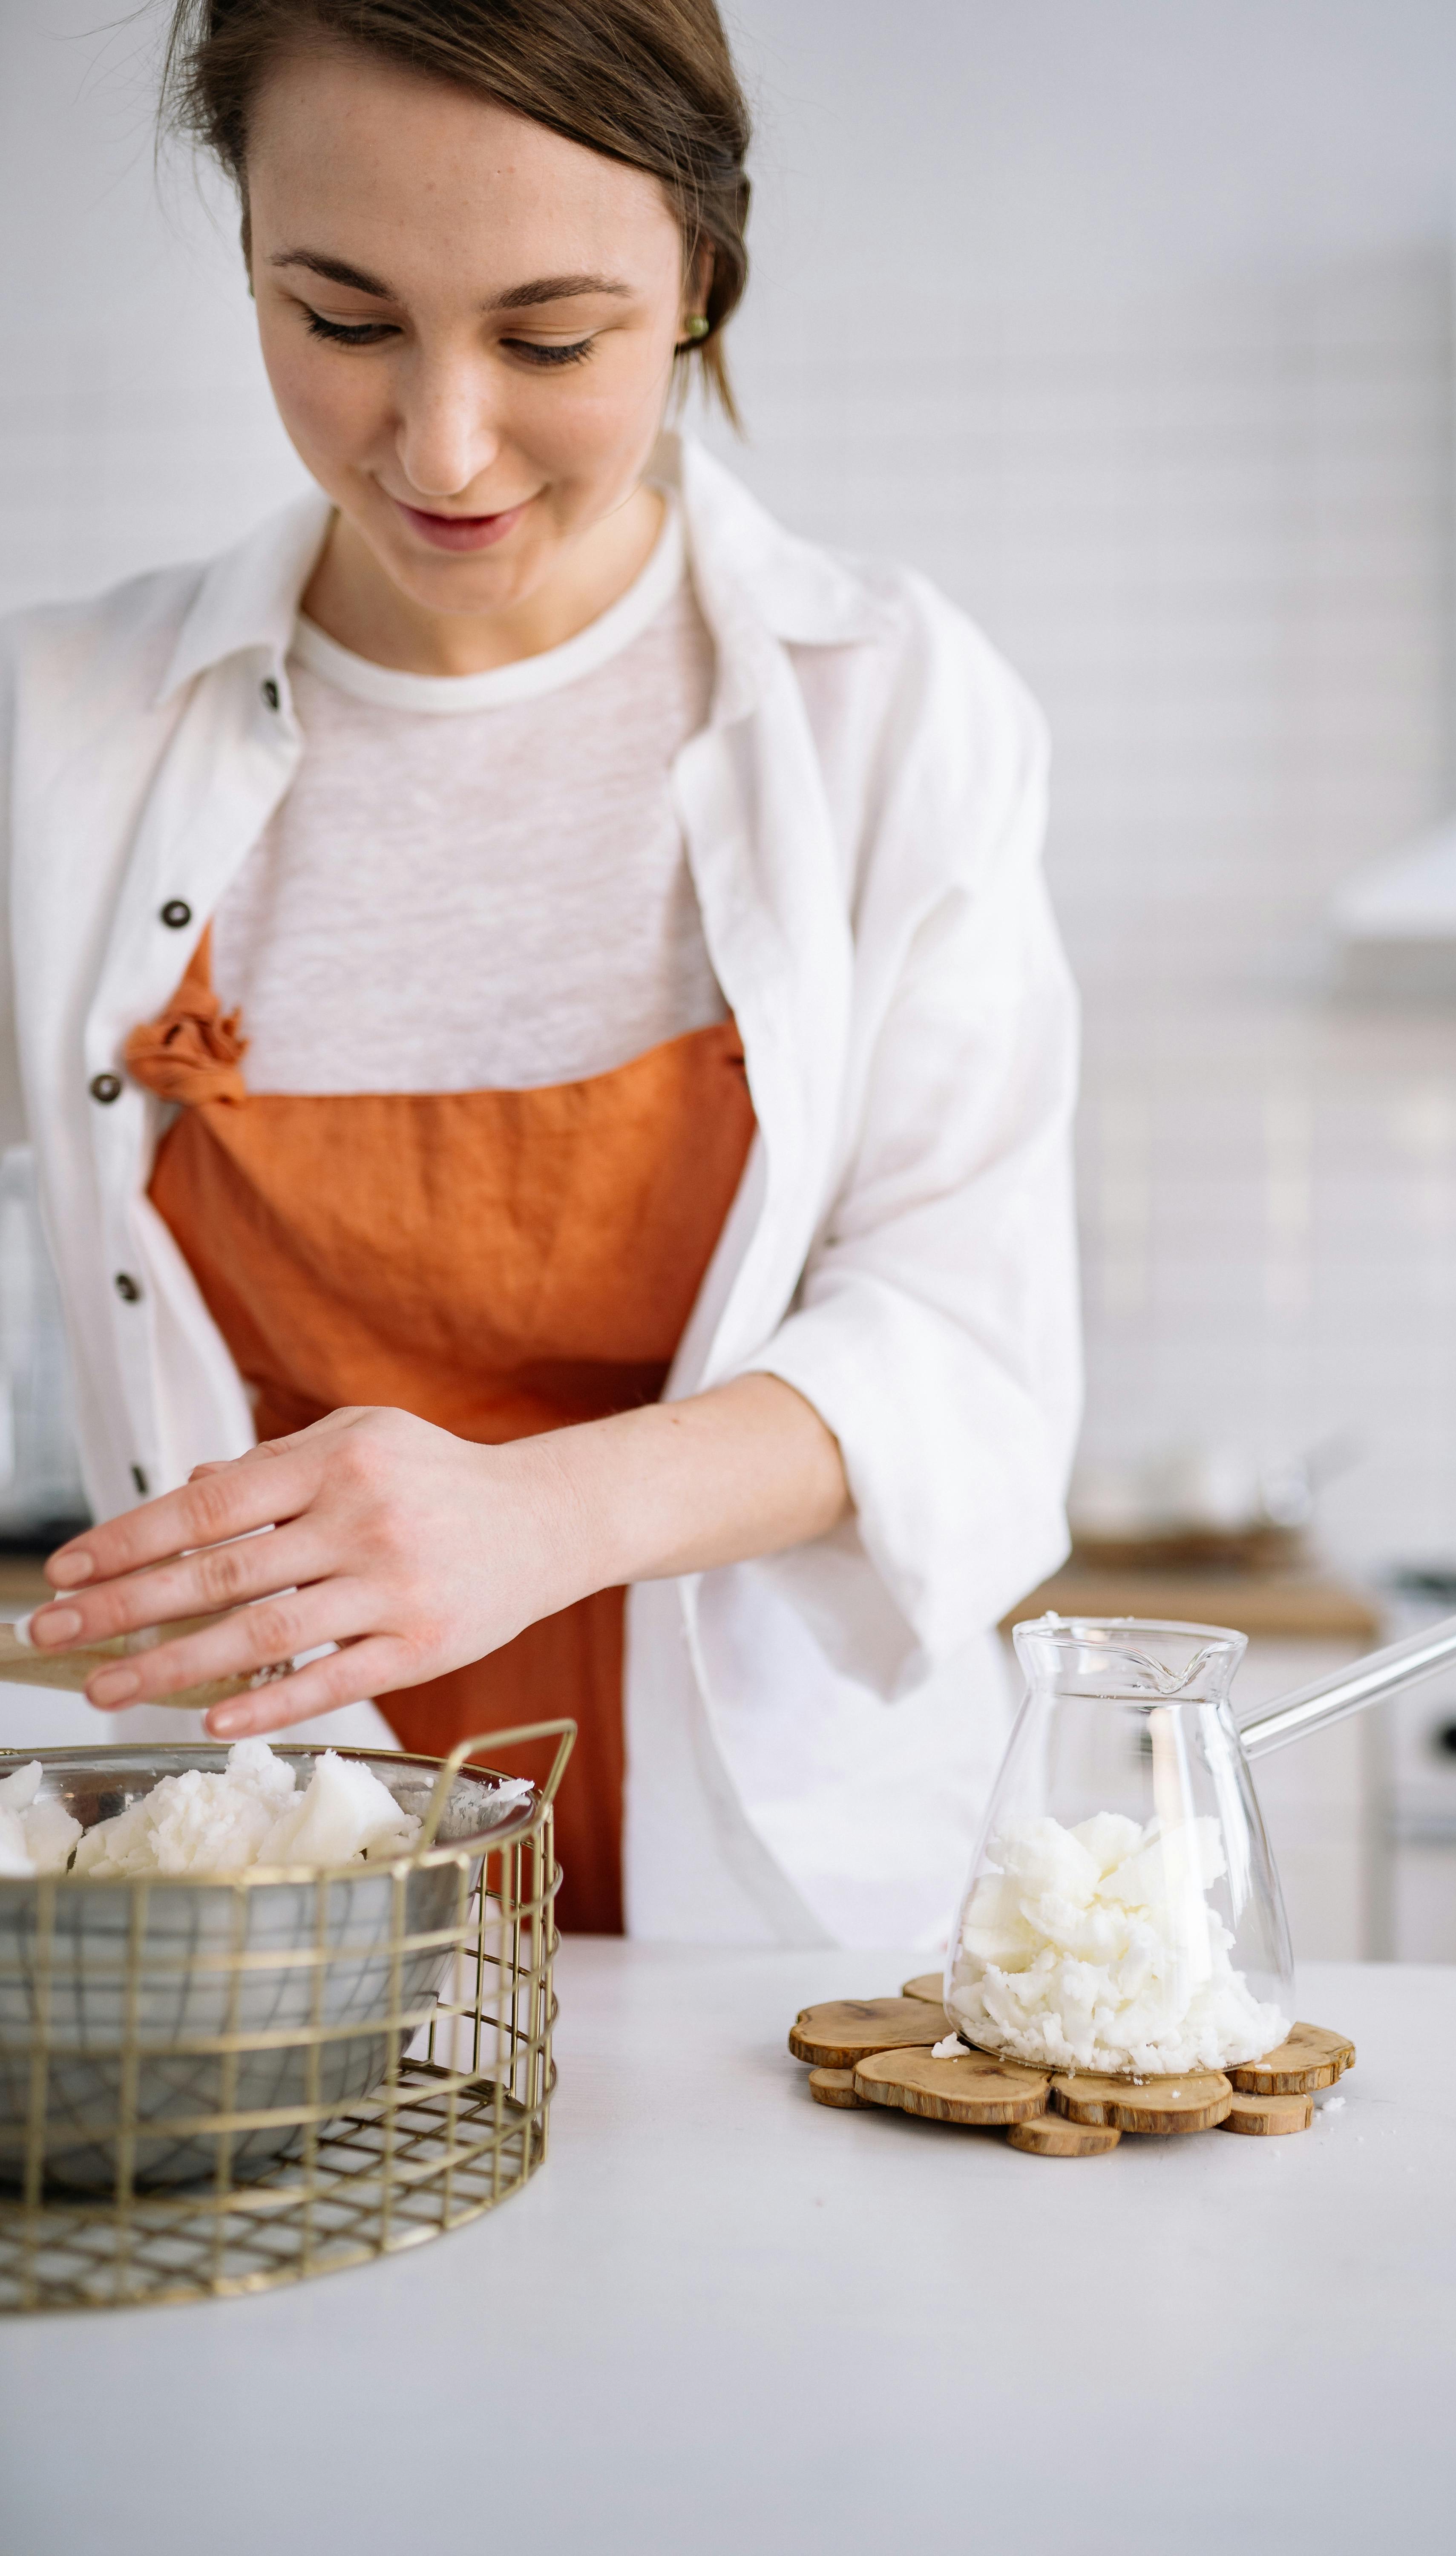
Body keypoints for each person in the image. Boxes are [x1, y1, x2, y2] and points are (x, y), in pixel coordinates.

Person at [0, 0, 1079, 1946]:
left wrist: (538, 1518)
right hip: (272, 1912)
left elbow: (968, 1355)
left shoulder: (889, 712)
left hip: (800, 1915)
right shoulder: (65, 738)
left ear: (699, 275)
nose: (443, 444)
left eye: (548, 337)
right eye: (337, 321)